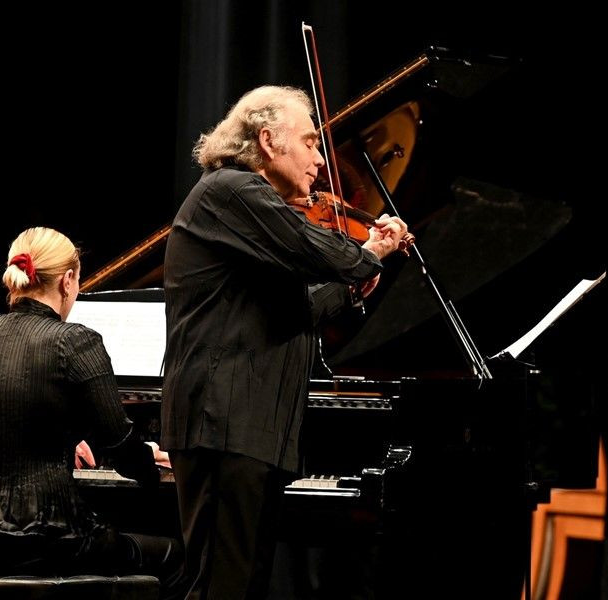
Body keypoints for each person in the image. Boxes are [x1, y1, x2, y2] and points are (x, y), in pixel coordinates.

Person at [161, 85, 408, 599]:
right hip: (223, 422)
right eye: (311, 143)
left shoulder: (253, 217)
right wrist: (366, 254)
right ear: (269, 140)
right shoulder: (232, 190)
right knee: (220, 586)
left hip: (252, 427)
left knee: (245, 585)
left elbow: (299, 312)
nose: (320, 160)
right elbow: (319, 249)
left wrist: (364, 267)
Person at [0, 226, 184, 595]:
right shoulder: (75, 340)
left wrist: (67, 435)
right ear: (68, 280)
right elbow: (122, 451)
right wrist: (155, 462)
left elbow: (4, 418)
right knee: (177, 556)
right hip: (51, 538)